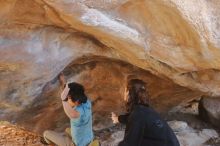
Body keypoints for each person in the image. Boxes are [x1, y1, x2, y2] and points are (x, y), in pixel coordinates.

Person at [111, 79, 180, 146]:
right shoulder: (145, 110)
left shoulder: (138, 114)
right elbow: (131, 119)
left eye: (125, 90)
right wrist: (118, 119)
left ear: (128, 93)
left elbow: (130, 143)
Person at [43, 73, 94, 146]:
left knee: (46, 134)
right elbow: (71, 92)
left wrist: (63, 99)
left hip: (77, 144)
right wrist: (64, 82)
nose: (67, 100)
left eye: (68, 98)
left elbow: (71, 113)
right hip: (88, 139)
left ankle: (50, 144)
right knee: (67, 130)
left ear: (76, 101)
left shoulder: (77, 114)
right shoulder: (86, 102)